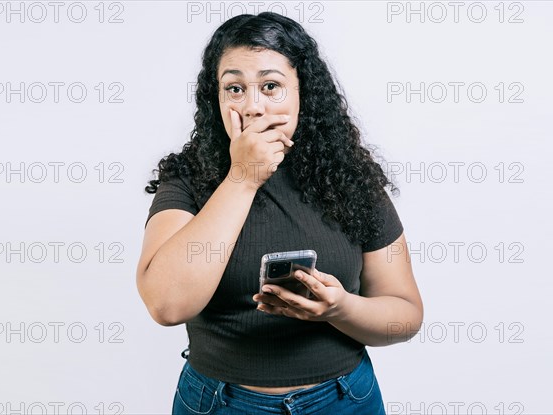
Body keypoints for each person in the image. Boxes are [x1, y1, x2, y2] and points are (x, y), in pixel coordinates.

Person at [136, 11, 423, 415]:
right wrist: (242, 178)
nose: (252, 106)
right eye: (234, 88)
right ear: (215, 97)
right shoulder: (188, 180)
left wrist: (341, 308)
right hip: (220, 403)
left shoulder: (350, 178)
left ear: (302, 91)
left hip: (345, 400)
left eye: (271, 86)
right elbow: (166, 305)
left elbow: (405, 314)